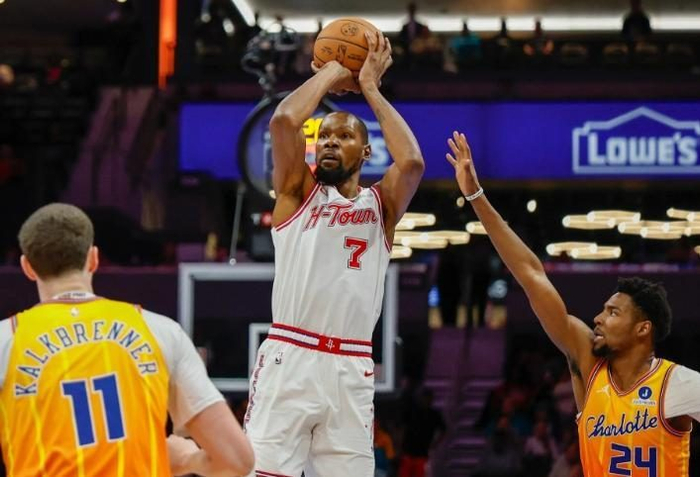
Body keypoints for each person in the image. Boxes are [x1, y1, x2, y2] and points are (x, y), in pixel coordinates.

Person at [445, 130, 700, 476]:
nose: (598, 318)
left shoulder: (677, 383)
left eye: (613, 312)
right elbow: (531, 274)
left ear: (643, 328)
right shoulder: (589, 364)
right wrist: (476, 196)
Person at [243, 31, 424, 477]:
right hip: (291, 356)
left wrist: (370, 88)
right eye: (323, 135)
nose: (328, 142)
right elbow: (284, 120)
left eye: (343, 136)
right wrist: (331, 71)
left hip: (351, 367)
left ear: (365, 151)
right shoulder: (296, 193)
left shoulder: (380, 206)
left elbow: (412, 163)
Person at [0, 203, 254, 476]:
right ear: (93, 258)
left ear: (27, 267)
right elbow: (237, 460)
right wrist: (188, 459)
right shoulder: (158, 330)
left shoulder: (7, 338)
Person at [398, 388, 446, 477]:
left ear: (431, 400)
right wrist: (400, 444)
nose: (426, 400)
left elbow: (443, 430)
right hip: (408, 451)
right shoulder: (411, 411)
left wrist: (435, 444)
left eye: (428, 398)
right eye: (424, 398)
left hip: (422, 453)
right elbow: (402, 427)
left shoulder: (434, 415)